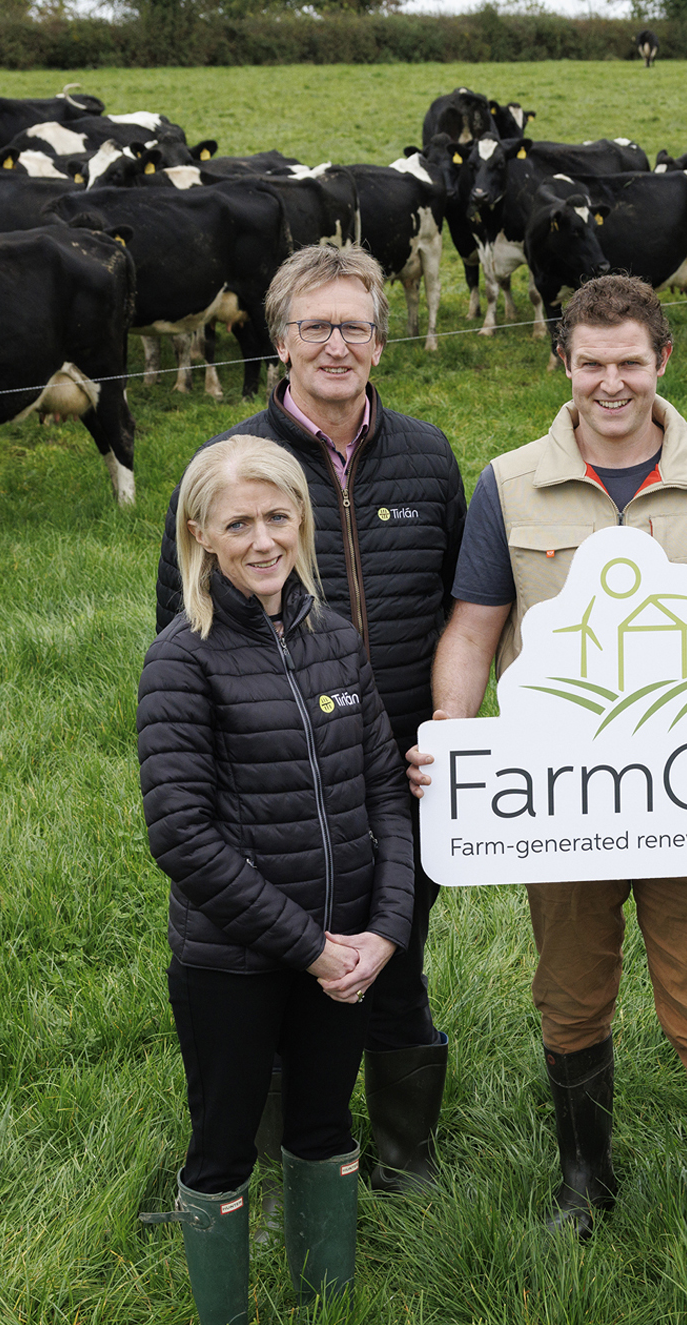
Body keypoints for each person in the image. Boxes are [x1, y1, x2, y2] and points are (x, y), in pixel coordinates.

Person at [407, 275, 687, 1289]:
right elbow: (474, 628)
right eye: (590, 363)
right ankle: (584, 1184)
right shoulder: (510, 483)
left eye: (628, 362)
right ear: (562, 365)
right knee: (569, 996)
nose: (609, 382)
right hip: (562, 798)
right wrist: (452, 738)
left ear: (663, 360)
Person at [156, 245, 466, 1193]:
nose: (337, 345)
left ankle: (404, 1153)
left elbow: (464, 611)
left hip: (397, 769)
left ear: (380, 340)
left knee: (395, 957)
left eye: (355, 326)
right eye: (316, 326)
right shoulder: (231, 470)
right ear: (281, 340)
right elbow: (185, 625)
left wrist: (448, 730)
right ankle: (274, 1149)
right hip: (269, 782)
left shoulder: (427, 459)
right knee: (275, 967)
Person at [137, 434, 415, 1325]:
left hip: (347, 952)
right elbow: (182, 836)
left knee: (324, 1127)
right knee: (222, 1143)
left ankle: (326, 1308)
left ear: (303, 522)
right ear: (200, 535)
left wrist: (384, 930)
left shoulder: (337, 641)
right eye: (238, 523)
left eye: (278, 517)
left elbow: (386, 796)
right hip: (236, 961)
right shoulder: (181, 660)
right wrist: (310, 947)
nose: (262, 540)